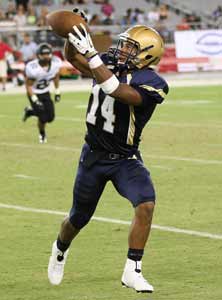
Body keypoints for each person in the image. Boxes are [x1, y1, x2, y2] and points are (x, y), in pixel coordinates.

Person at [48, 9, 169, 293]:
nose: (122, 49)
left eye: (131, 47)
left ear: (148, 55)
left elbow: (117, 91)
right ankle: (60, 248)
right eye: (124, 43)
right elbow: (73, 58)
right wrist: (74, 34)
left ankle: (132, 270)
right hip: (93, 156)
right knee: (78, 218)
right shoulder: (105, 62)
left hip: (125, 159)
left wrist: (92, 54)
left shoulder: (152, 83)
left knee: (146, 203)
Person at [22, 43, 62, 143]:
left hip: (45, 92)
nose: (46, 56)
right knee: (43, 118)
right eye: (43, 54)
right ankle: (42, 134)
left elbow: (56, 76)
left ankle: (30, 111)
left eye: (47, 54)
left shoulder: (55, 64)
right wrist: (35, 100)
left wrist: (57, 91)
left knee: (51, 117)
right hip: (34, 93)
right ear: (38, 55)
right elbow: (28, 85)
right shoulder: (33, 68)